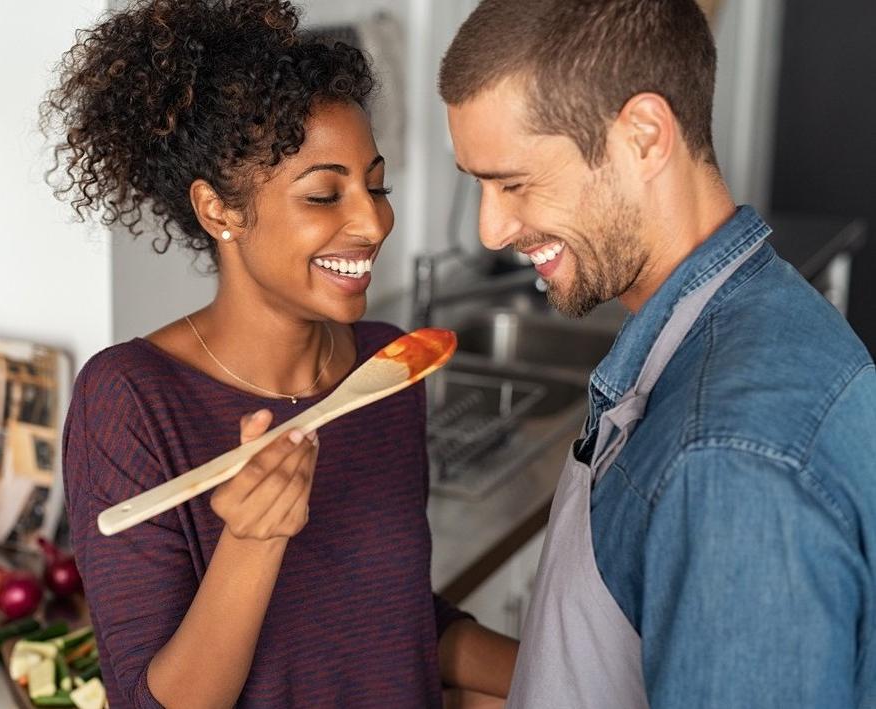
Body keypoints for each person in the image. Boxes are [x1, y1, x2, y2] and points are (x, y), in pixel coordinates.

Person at [47, 1, 517, 707]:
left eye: (375, 184)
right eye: (324, 194)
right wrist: (250, 539)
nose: (372, 220)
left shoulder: (386, 367)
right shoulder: (130, 399)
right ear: (219, 211)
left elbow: (387, 621)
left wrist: (586, 672)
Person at [438, 1, 876, 707]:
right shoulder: (758, 316)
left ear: (643, 135)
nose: (490, 229)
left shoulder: (727, 459)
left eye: (513, 183)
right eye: (477, 183)